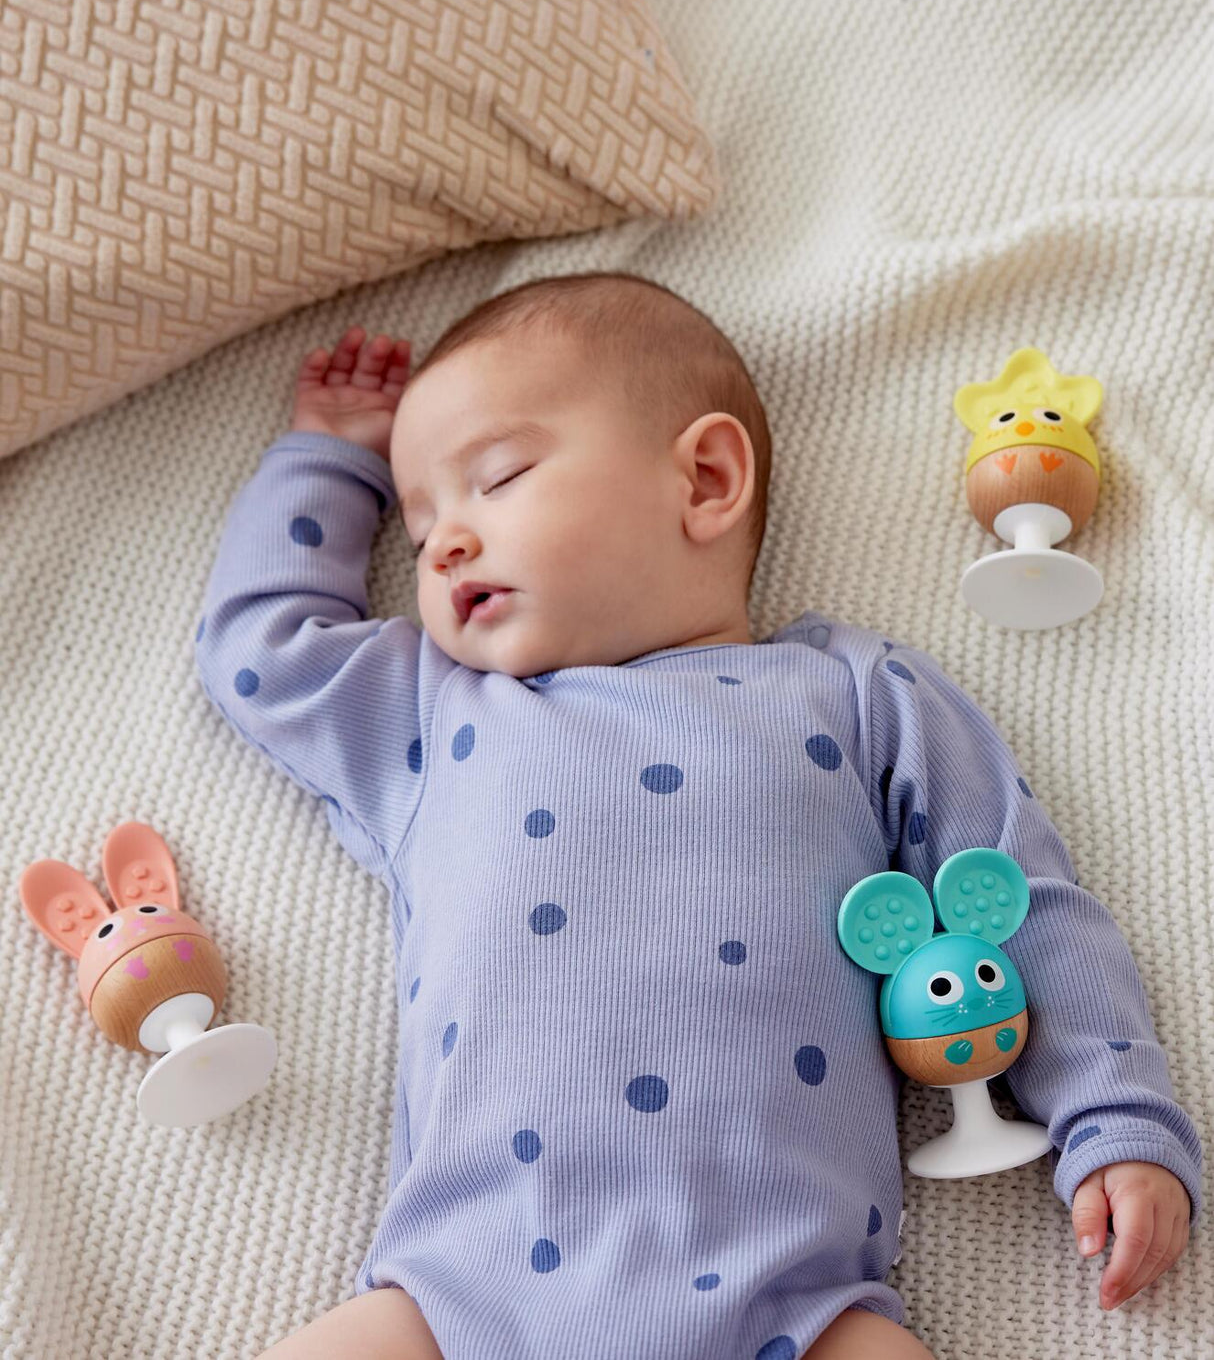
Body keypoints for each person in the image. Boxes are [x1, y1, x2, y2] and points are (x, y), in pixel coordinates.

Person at [194, 272, 1200, 1360]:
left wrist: (1113, 1117)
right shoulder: (433, 713)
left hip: (795, 1308)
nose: (440, 545)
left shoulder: (850, 692)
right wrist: (331, 461)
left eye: (497, 477)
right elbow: (258, 651)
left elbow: (1010, 895)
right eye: (422, 518)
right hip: (457, 1302)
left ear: (705, 479)